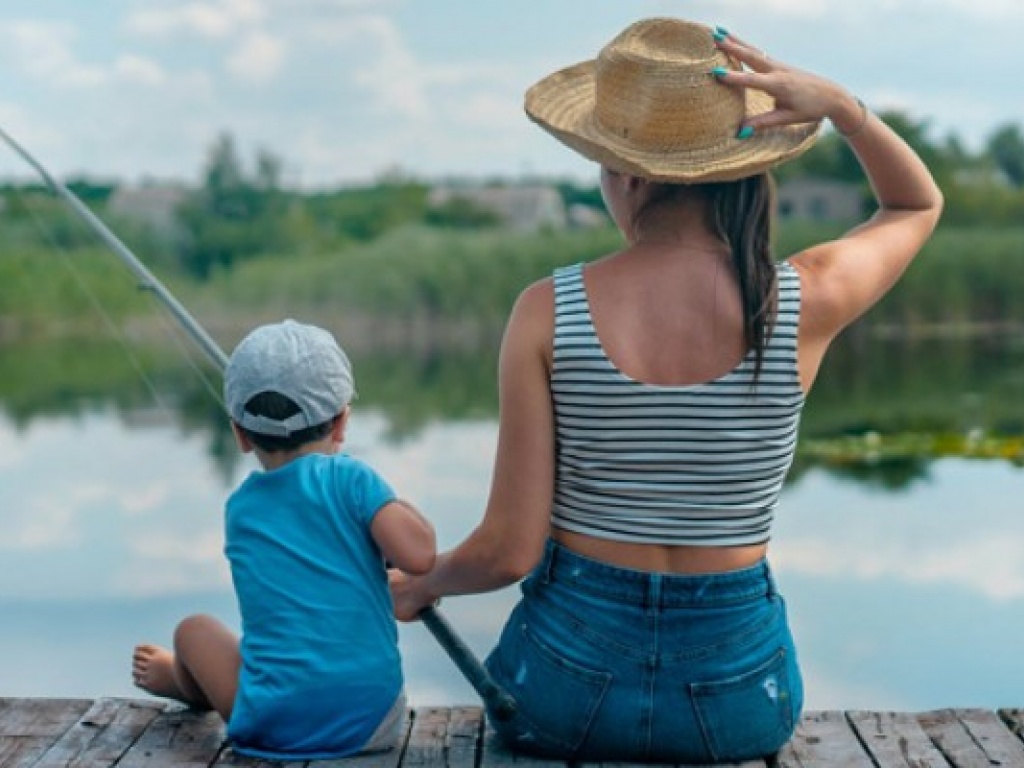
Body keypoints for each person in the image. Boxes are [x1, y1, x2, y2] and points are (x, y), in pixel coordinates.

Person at [390, 17, 942, 764]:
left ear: (629, 174)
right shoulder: (804, 299)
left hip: (561, 694)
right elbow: (914, 204)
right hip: (742, 700)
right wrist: (844, 108)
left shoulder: (548, 310)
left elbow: (507, 551)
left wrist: (424, 585)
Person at [132, 319, 436, 760]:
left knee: (193, 630)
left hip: (272, 724)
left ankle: (182, 682)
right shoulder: (354, 481)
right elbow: (421, 555)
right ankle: (185, 682)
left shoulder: (240, 509)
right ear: (341, 423)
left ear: (238, 433)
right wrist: (387, 500)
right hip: (371, 722)